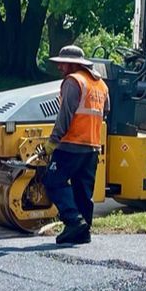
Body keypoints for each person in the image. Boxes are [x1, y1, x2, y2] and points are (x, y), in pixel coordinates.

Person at [40, 44, 108, 246]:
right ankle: (83, 231)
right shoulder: (101, 86)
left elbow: (65, 115)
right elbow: (105, 114)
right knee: (83, 190)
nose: (60, 68)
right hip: (92, 146)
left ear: (73, 64)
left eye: (63, 64)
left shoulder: (73, 82)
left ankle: (74, 220)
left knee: (53, 181)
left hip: (71, 145)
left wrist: (53, 142)